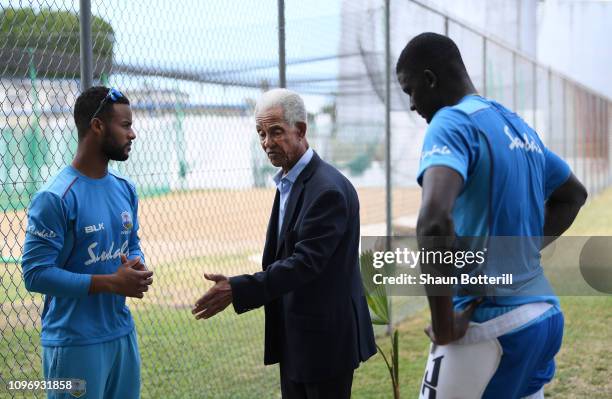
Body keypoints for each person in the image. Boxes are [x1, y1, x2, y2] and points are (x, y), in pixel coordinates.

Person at [395, 33, 587, 399]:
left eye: (410, 90)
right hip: (542, 317)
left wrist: (444, 324)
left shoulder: (450, 122)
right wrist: (521, 250)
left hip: (488, 325)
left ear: (431, 80)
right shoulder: (518, 127)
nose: (412, 105)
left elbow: (433, 221)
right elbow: (573, 196)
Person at [192, 88, 376, 399]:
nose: (266, 142)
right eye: (261, 133)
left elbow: (305, 263)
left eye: (275, 132)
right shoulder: (289, 181)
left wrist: (238, 288)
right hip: (299, 337)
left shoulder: (326, 189)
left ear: (300, 130)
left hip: (325, 344)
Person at [22, 86, 153, 399]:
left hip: (121, 333)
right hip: (74, 343)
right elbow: (35, 274)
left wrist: (136, 264)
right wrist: (110, 282)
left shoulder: (126, 189)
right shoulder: (55, 197)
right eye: (125, 125)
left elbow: (131, 242)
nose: (132, 134)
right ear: (97, 126)